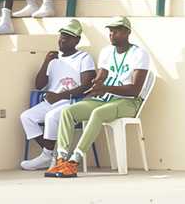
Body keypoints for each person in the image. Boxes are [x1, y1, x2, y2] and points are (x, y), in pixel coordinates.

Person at [45, 16, 150, 178]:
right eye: (110, 31)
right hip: (105, 99)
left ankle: (74, 162)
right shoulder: (107, 52)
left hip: (128, 102)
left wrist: (105, 87)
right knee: (68, 112)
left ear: (127, 32)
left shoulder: (139, 54)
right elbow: (101, 77)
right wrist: (95, 85)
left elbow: (135, 90)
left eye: (116, 31)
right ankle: (61, 160)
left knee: (97, 114)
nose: (112, 34)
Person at [20, 20, 97, 171]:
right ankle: (49, 154)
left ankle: (48, 155)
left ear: (77, 40)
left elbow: (86, 86)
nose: (62, 39)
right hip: (51, 101)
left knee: (51, 117)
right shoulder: (54, 59)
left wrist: (60, 96)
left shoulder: (84, 58)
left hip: (72, 101)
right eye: (61, 36)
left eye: (68, 37)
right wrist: (46, 62)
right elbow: (39, 85)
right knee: (26, 117)